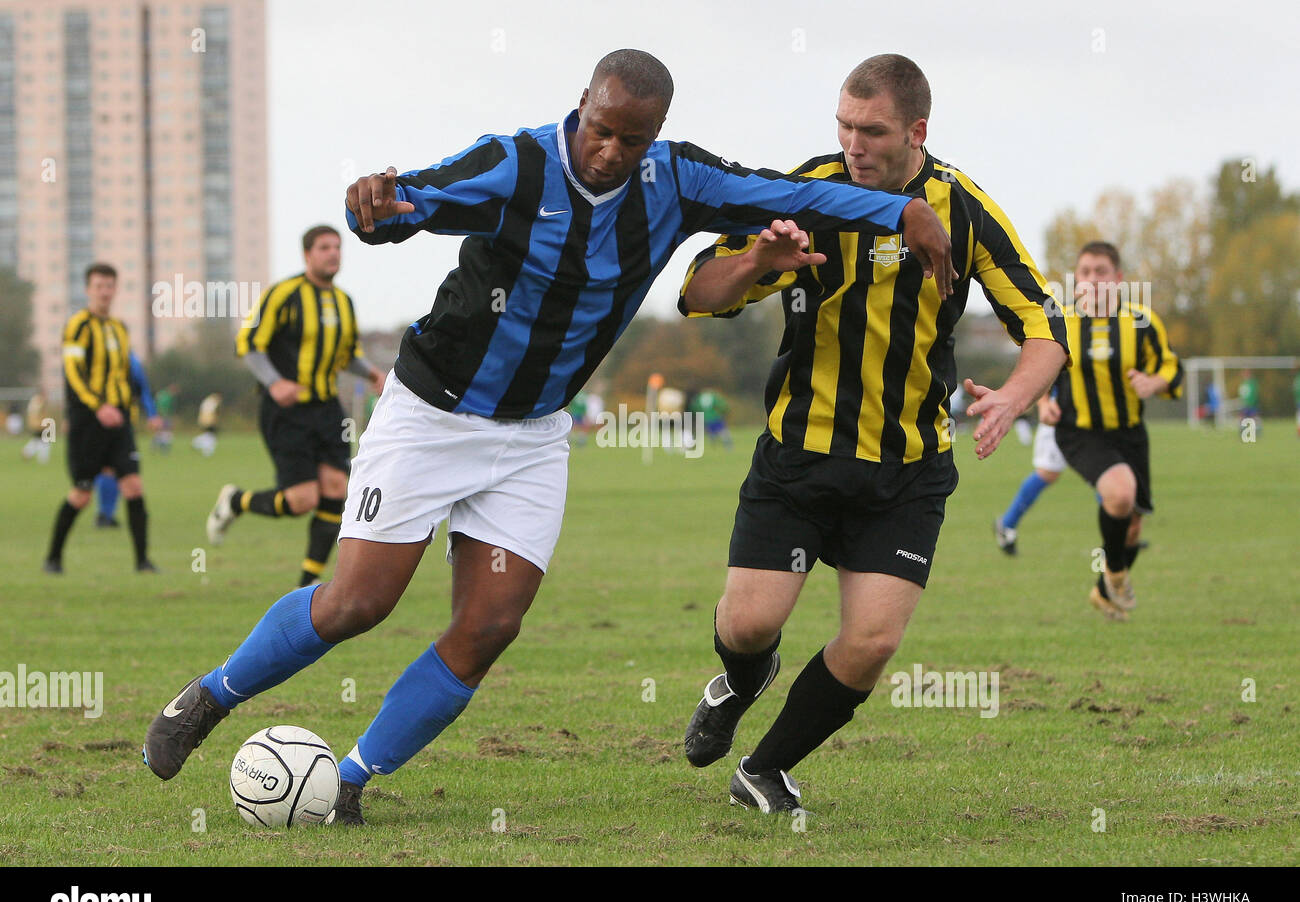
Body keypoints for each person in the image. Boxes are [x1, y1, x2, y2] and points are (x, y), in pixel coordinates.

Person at [142, 48, 957, 824]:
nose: (609, 151)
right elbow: (410, 201)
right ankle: (210, 695)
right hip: (434, 411)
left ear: (654, 135)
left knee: (491, 624)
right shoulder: (519, 163)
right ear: (582, 104)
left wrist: (904, 209)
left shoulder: (678, 178)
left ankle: (351, 782)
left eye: (631, 139)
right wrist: (375, 209)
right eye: (600, 129)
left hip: (532, 437)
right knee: (358, 602)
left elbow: (794, 193)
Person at [677, 54, 1068, 813]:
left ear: (917, 131)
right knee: (749, 624)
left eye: (873, 130)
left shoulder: (964, 207)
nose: (854, 143)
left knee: (874, 641)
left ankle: (764, 768)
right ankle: (744, 677)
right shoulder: (806, 190)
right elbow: (698, 292)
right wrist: (760, 259)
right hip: (800, 454)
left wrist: (1015, 397)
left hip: (907, 470)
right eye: (844, 126)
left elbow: (1044, 326)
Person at [204, 225, 385, 588]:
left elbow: (347, 355)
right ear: (307, 255)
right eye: (324, 247)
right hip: (286, 411)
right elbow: (250, 343)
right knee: (302, 500)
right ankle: (236, 500)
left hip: (327, 408)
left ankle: (307, 586)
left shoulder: (344, 302)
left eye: (337, 247)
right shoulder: (283, 294)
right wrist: (276, 383)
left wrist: (372, 374)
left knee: (336, 489)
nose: (332, 253)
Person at [1052, 241, 1182, 621]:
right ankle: (1118, 578)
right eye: (1086, 272)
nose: (1093, 279)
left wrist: (1154, 383)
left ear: (1119, 279)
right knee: (1121, 493)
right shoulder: (1060, 321)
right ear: (1077, 280)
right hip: (1079, 432)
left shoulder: (1142, 322)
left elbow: (1173, 368)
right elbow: (1040, 367)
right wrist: (1044, 403)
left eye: (1101, 271)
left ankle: (1102, 589)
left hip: (1129, 433)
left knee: (1133, 525)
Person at [44, 263, 159, 574]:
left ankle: (143, 562)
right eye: (99, 286)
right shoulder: (78, 325)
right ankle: (52, 559)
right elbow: (73, 374)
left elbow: (128, 375)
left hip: (118, 419)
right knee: (82, 493)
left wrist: (139, 410)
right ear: (88, 289)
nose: (105, 291)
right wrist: (98, 407)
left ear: (115, 289)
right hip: (89, 419)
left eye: (110, 285)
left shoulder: (119, 328)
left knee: (133, 485)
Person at [993, 390, 1065, 555]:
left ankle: (1122, 535)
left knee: (1107, 473)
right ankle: (1007, 524)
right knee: (1047, 473)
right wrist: (1044, 402)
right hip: (1061, 409)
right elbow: (1045, 366)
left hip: (1099, 414)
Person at [95, 349, 161, 527]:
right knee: (117, 470)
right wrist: (152, 414)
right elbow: (143, 389)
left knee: (108, 469)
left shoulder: (99, 355)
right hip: (118, 423)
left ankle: (105, 514)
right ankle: (105, 514)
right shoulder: (130, 360)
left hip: (98, 420)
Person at [22, 389, 50, 464]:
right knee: (44, 440)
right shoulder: (39, 401)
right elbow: (38, 412)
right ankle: (41, 458)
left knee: (38, 440)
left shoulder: (34, 401)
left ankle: (27, 452)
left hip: (36, 424)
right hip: (39, 424)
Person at [191, 392, 222, 456]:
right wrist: (214, 420)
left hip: (204, 419)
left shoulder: (207, 401)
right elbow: (211, 412)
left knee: (208, 434)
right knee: (210, 435)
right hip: (208, 420)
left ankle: (198, 444)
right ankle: (200, 445)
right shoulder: (212, 402)